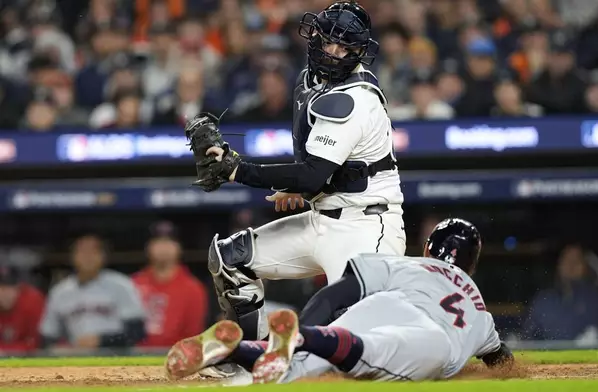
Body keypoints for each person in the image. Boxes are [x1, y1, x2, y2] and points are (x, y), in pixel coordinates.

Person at [182, 1, 406, 375]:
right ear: (313, 36)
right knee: (231, 259)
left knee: (360, 354)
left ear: (359, 51)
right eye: (329, 41)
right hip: (322, 218)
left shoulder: (353, 98)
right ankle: (242, 364)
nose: (335, 52)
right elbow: (318, 171)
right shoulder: (309, 80)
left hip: (366, 228)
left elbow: (312, 175)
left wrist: (239, 171)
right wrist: (302, 189)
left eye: (346, 47)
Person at [165, 218, 513, 384]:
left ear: (428, 249)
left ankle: (234, 348)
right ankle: (299, 339)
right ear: (472, 264)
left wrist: (307, 325)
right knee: (368, 354)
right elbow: (501, 360)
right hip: (430, 334)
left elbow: (336, 294)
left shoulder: (407, 264)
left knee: (297, 368)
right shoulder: (478, 309)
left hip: (381, 305)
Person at [39, 234, 147, 351]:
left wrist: (102, 340)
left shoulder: (121, 285)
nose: (88, 257)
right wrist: (61, 347)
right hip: (76, 359)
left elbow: (137, 332)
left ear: (103, 256)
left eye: (93, 252)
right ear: (73, 256)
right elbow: (47, 336)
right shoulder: (60, 292)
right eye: (82, 252)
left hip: (115, 357)